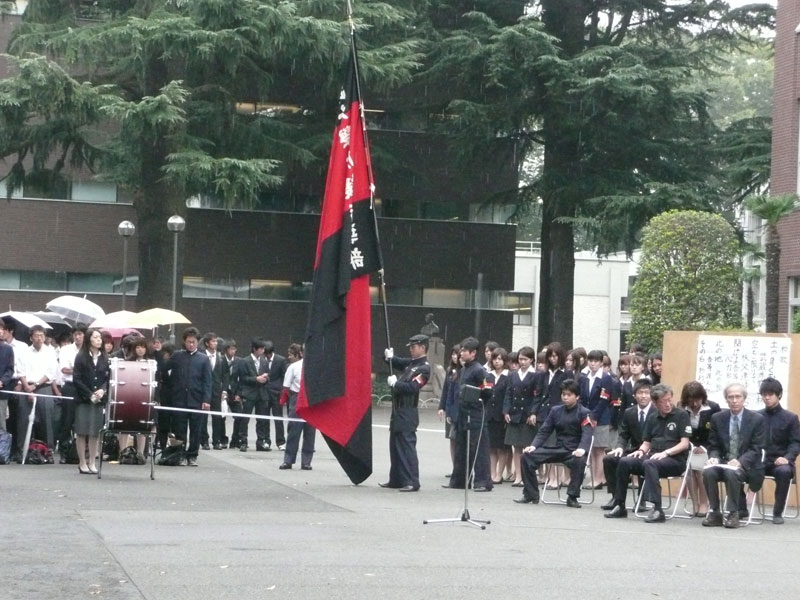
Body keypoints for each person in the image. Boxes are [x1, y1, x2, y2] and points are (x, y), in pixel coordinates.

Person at [612, 383, 691, 523]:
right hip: (653, 455)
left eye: (669, 400)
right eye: (663, 401)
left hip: (675, 459)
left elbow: (685, 443)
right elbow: (647, 442)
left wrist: (666, 453)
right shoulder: (652, 417)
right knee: (624, 461)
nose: (668, 404)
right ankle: (620, 504)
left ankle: (657, 509)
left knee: (650, 463)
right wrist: (640, 451)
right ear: (655, 402)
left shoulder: (681, 415)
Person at [513, 378, 592, 507]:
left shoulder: (585, 413)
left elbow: (587, 434)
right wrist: (533, 446)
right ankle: (530, 494)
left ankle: (572, 497)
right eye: (563, 394)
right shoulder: (556, 410)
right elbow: (544, 431)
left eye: (569, 395)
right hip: (557, 448)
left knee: (580, 461)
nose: (565, 397)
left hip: (573, 450)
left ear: (577, 397)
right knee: (526, 456)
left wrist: (582, 449)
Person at [702, 383, 766, 528]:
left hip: (747, 465)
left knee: (732, 473)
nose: (734, 400)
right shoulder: (717, 418)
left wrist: (740, 461)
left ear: (744, 399)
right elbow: (714, 445)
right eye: (730, 397)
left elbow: (757, 448)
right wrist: (713, 457)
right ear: (726, 399)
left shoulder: (757, 419)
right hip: (724, 462)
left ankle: (733, 513)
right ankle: (714, 512)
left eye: (738, 397)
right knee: (708, 472)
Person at [380, 334, 431, 492]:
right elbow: (398, 362)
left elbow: (412, 388)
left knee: (407, 448)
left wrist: (396, 384)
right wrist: (389, 357)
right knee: (395, 447)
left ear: (422, 347)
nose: (410, 349)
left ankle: (412, 481)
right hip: (398, 411)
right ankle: (396, 479)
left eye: (413, 347)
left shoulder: (424, 368)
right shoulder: (412, 364)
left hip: (408, 411)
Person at [445, 337, 495, 492]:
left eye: (465, 351)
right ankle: (460, 481)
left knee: (479, 449)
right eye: (461, 350)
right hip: (462, 414)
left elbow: (487, 391)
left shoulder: (479, 370)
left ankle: (482, 482)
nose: (461, 353)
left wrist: (476, 396)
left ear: (473, 353)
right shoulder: (464, 368)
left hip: (475, 415)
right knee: (461, 449)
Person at [602, 379, 653, 516]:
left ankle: (642, 500)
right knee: (609, 459)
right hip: (634, 449)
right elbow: (623, 434)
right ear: (634, 395)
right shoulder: (629, 412)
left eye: (646, 393)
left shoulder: (656, 412)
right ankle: (615, 497)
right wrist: (619, 447)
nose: (643, 396)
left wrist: (646, 449)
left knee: (644, 461)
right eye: (640, 393)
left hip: (652, 451)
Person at [164, 327, 212, 466]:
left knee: (196, 429)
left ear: (198, 342)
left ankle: (192, 455)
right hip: (179, 398)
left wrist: (206, 400)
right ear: (184, 342)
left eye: (194, 342)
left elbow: (207, 381)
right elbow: (165, 369)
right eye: (189, 342)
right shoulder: (177, 356)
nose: (191, 344)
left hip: (196, 399)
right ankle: (180, 454)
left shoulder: (203, 359)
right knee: (180, 429)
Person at [758, 377, 800, 524]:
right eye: (764, 394)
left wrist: (787, 458)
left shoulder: (791, 418)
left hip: (779, 461)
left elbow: (795, 443)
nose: (767, 398)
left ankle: (777, 512)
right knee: (738, 469)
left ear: (779, 395)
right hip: (759, 461)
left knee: (784, 471)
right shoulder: (756, 416)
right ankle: (742, 508)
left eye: (770, 394)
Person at [678, 381, 720, 516]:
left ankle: (704, 503)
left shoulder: (712, 408)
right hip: (688, 447)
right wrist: (689, 445)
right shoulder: (681, 407)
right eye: (691, 400)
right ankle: (694, 503)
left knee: (700, 470)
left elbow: (717, 432)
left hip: (707, 447)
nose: (695, 404)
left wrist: (704, 447)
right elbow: (680, 430)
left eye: (697, 400)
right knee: (690, 471)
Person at [16, 325, 59, 454]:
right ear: (31, 337)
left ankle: (47, 450)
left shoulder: (50, 352)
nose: (39, 338)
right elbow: (20, 371)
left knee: (47, 420)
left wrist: (35, 386)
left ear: (45, 337)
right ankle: (22, 450)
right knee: (24, 419)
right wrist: (28, 388)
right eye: (36, 335)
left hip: (44, 387)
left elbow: (51, 372)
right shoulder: (25, 352)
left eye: (41, 335)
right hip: (26, 387)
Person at [72, 328, 109, 474]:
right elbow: (77, 379)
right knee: (82, 431)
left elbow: (108, 378)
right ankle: (82, 462)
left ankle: (92, 461)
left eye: (100, 337)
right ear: (89, 340)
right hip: (83, 399)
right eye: (95, 337)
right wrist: (89, 394)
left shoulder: (105, 358)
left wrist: (102, 390)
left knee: (95, 432)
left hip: (99, 399)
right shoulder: (81, 357)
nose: (99, 340)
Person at [579, 349, 614, 489]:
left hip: (601, 418)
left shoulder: (606, 378)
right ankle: (593, 477)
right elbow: (582, 397)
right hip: (588, 416)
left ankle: (599, 478)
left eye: (596, 361)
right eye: (590, 361)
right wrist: (586, 415)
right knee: (592, 449)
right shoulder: (585, 377)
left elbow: (604, 400)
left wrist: (593, 416)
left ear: (601, 363)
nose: (593, 364)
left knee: (599, 449)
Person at [503, 346, 537, 488]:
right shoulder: (513, 375)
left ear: (531, 360)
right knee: (516, 447)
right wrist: (506, 411)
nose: (522, 362)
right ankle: (518, 475)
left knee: (527, 447)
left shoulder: (536, 375)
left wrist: (533, 412)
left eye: (525, 359)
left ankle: (526, 475)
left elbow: (538, 396)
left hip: (528, 415)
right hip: (515, 414)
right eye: (520, 359)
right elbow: (508, 394)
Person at [279, 343, 316, 470]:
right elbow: (286, 386)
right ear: (301, 353)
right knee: (293, 431)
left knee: (310, 432)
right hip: (297, 397)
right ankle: (288, 460)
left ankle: (306, 461)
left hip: (312, 399)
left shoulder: (318, 366)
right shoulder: (293, 367)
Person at [232, 338, 269, 452]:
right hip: (249, 393)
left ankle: (260, 442)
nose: (262, 351)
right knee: (245, 418)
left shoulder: (264, 361)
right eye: (260, 349)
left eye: (263, 349)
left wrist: (265, 378)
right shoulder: (245, 361)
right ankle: (243, 441)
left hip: (261, 393)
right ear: (254, 349)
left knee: (261, 419)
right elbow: (242, 378)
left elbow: (268, 375)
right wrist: (256, 379)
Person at [55, 324, 84, 463]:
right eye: (75, 334)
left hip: (85, 387)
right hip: (70, 386)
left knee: (83, 420)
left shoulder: (89, 350)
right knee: (67, 419)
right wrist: (81, 371)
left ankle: (82, 453)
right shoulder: (66, 349)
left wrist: (76, 370)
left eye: (80, 334)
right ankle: (64, 451)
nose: (77, 337)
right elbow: (65, 369)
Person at [485, 347, 509, 485]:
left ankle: (500, 473)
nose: (497, 361)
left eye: (500, 359)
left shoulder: (509, 376)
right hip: (490, 415)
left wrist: (506, 411)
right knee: (491, 447)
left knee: (502, 447)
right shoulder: (489, 375)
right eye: (495, 359)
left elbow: (508, 396)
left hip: (501, 415)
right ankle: (492, 473)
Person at [437, 344, 461, 476]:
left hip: (460, 410)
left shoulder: (463, 370)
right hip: (450, 410)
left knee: (458, 440)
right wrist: (441, 407)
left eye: (456, 354)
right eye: (452, 354)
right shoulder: (450, 370)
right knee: (451, 439)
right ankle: (454, 468)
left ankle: (459, 469)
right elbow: (445, 390)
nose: (454, 356)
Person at [202, 332, 228, 450]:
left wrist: (224, 390)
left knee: (217, 417)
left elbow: (225, 375)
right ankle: (204, 441)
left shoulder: (221, 357)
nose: (215, 343)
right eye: (213, 341)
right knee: (203, 417)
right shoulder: (201, 355)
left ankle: (216, 441)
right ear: (207, 343)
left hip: (217, 390)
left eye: (216, 341)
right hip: (203, 390)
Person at [263, 340, 288, 451]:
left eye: (268, 354)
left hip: (276, 393)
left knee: (278, 418)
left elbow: (284, 376)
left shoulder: (280, 360)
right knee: (265, 418)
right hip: (264, 393)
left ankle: (281, 442)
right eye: (266, 354)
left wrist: (281, 390)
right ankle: (266, 440)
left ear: (271, 352)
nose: (267, 356)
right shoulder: (262, 360)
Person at [0, 322, 15, 435]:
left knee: (1, 422)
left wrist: (2, 381)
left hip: (1, 392)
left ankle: (2, 451)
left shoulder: (7, 349)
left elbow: (10, 370)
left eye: (1, 328)